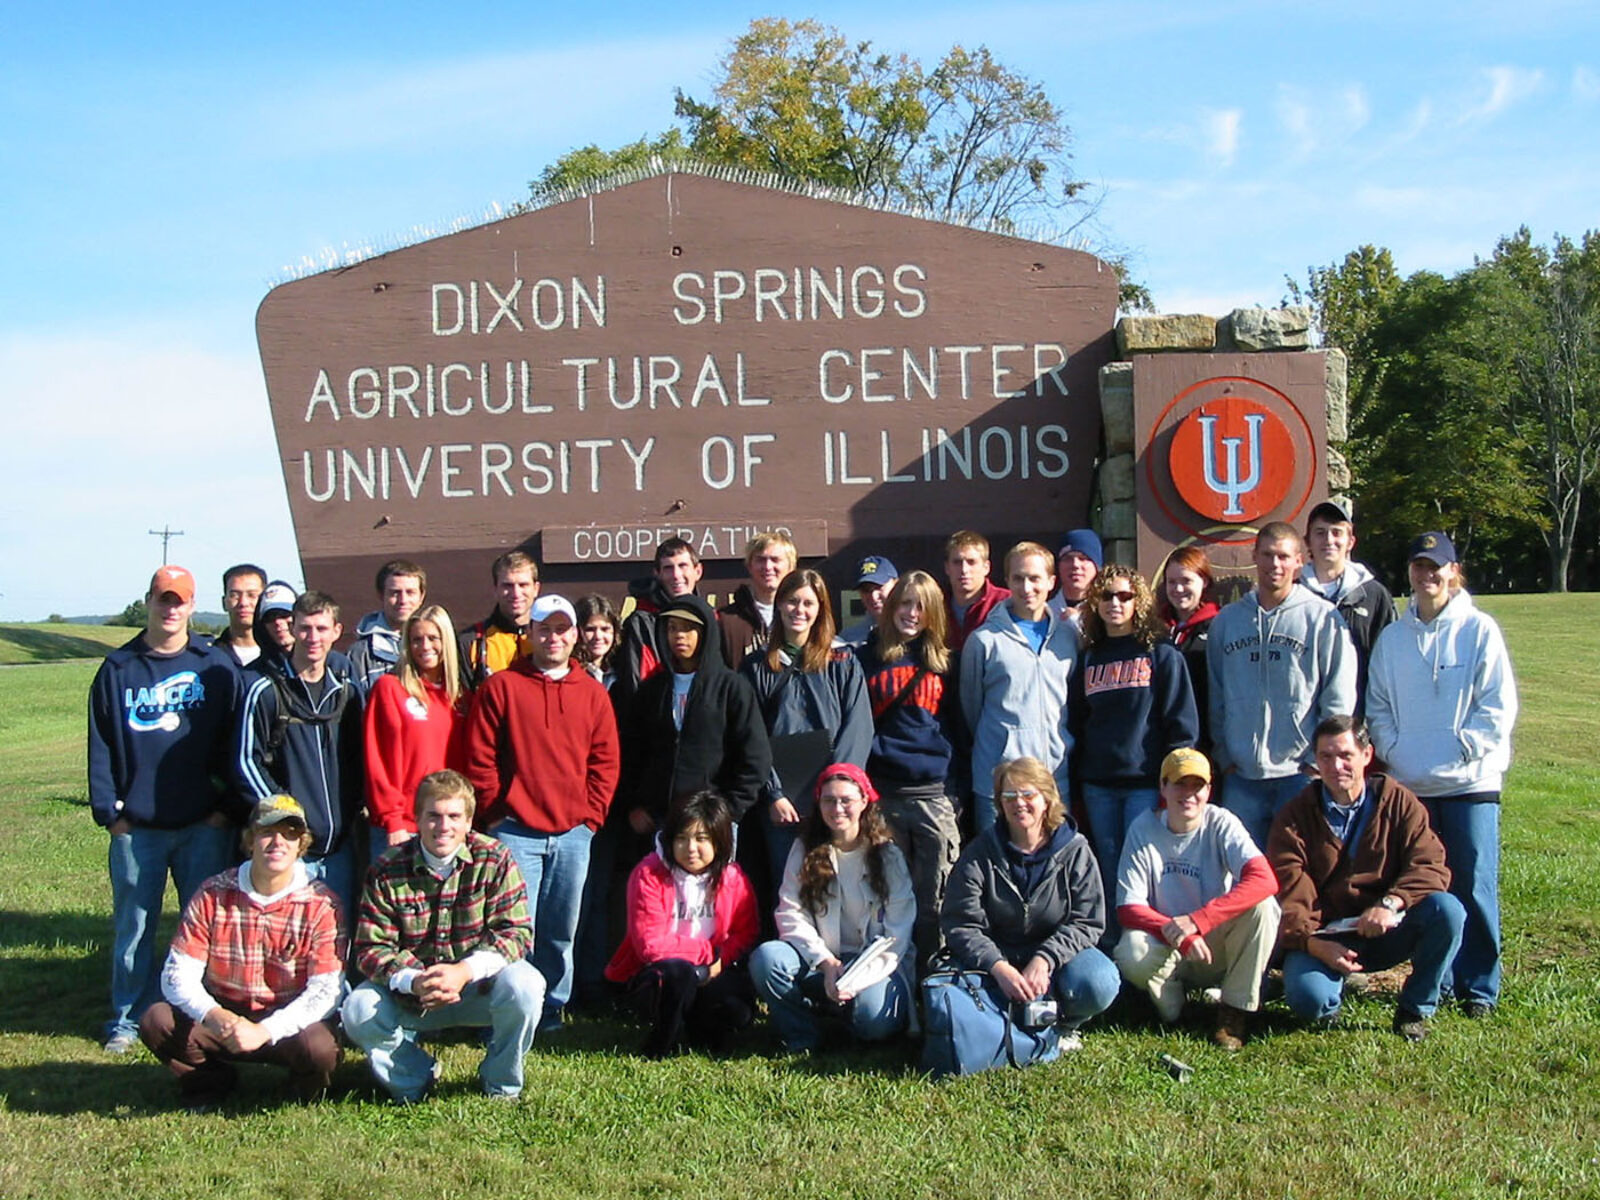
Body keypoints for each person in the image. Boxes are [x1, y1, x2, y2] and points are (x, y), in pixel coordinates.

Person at [89, 565, 243, 1053]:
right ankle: (126, 1018)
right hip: (139, 827)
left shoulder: (213, 665)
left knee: (202, 928)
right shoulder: (119, 668)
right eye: (163, 598)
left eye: (180, 600)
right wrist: (110, 813)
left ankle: (192, 1011)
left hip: (203, 823)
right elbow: (101, 745)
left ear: (193, 605)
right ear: (149, 601)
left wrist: (223, 808)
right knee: (134, 925)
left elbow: (234, 742)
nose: (171, 608)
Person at [1367, 531, 1518, 1018]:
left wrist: (1462, 749)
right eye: (1419, 566)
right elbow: (1378, 708)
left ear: (1454, 572)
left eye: (1437, 567)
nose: (1427, 575)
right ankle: (1440, 979)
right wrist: (1398, 751)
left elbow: (1497, 706)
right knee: (1426, 889)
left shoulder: (1479, 631)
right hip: (1412, 786)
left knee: (1474, 886)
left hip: (1470, 785)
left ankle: (1479, 987)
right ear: (1409, 572)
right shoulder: (1393, 639)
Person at [463, 594, 620, 1033]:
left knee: (561, 928)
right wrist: (496, 814)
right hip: (515, 831)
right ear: (530, 634)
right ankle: (509, 1009)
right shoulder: (501, 688)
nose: (553, 637)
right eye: (544, 629)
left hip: (573, 832)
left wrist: (591, 818)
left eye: (561, 629)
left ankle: (551, 1009)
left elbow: (605, 761)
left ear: (575, 636)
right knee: (513, 929)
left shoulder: (591, 692)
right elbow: (480, 758)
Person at [342, 769, 543, 1102]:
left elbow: (516, 933)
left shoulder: (495, 859)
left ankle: (501, 1083)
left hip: (479, 987)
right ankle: (413, 1079)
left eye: (453, 816)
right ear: (417, 819)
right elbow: (370, 948)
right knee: (358, 1008)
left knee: (527, 986)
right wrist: (415, 980)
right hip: (414, 992)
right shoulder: (386, 867)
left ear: (468, 822)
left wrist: (463, 972)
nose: (443, 826)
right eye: (433, 816)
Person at [1267, 716, 1465, 1041]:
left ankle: (1415, 1009)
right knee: (1308, 1001)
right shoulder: (1294, 817)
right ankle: (1328, 996)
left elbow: (1431, 863)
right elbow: (1290, 894)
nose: (1336, 766)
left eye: (1346, 755)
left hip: (1386, 927)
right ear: (1315, 761)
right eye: (1326, 757)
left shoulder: (1398, 802)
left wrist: (1391, 903)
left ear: (1367, 755)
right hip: (1328, 937)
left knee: (1448, 910)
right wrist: (1312, 943)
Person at [138, 794, 344, 1107]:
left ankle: (302, 1091)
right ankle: (208, 1081)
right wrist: (214, 1015)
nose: (278, 842)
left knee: (320, 1049)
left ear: (302, 845)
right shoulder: (213, 893)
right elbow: (177, 974)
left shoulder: (322, 904)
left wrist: (266, 1031)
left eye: (290, 834)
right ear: (249, 840)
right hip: (225, 1014)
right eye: (267, 832)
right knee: (157, 1021)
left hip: (286, 1019)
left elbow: (326, 991)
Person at [941, 757, 1119, 1051]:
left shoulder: (1075, 850)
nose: (1018, 803)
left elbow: (1087, 921)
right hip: (997, 959)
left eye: (1028, 794)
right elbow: (960, 922)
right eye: (1008, 795)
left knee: (1100, 981)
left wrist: (1045, 958)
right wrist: (997, 966)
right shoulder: (979, 853)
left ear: (1047, 800)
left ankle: (1064, 1024)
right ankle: (997, 1023)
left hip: (1057, 959)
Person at [1113, 749, 1279, 1050]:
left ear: (1209, 791)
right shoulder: (1143, 828)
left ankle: (1234, 1011)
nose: (1188, 794)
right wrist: (1181, 934)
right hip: (1170, 946)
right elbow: (1128, 908)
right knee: (1132, 951)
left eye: (1197, 786)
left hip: (1213, 944)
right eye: (1179, 784)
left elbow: (1264, 879)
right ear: (1162, 787)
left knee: (1264, 907)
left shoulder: (1221, 822)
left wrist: (1198, 921)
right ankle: (1173, 1004)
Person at [1206, 521, 1356, 851]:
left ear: (1299, 560)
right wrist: (1225, 755)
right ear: (1254, 556)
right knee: (1242, 875)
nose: (1275, 565)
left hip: (1298, 773)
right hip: (1241, 776)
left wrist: (1317, 762)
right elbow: (1215, 695)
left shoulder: (1322, 619)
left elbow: (1338, 697)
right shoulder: (1227, 623)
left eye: (1284, 557)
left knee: (1299, 870)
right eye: (1268, 555)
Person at [1069, 565, 1198, 938]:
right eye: (1107, 595)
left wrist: (1173, 784)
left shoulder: (1161, 654)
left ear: (1138, 602)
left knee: (1144, 867)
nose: (1115, 603)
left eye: (1124, 596)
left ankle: (1148, 944)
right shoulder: (1089, 657)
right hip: (1099, 783)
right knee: (1107, 864)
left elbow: (1182, 724)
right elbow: (1078, 721)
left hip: (1146, 783)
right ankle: (1114, 948)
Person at [750, 765, 914, 1052]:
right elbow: (791, 913)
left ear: (864, 801)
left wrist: (854, 980)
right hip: (822, 961)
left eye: (846, 800)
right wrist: (826, 963)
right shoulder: (805, 848)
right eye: (828, 800)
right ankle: (803, 1035)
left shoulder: (887, 855)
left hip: (871, 966)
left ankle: (848, 1017)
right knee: (767, 958)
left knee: (873, 1023)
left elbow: (896, 936)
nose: (837, 808)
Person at [855, 569, 963, 970]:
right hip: (885, 793)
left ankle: (931, 979)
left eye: (920, 606)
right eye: (904, 603)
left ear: (933, 612)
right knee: (888, 895)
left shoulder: (946, 663)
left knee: (936, 894)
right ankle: (891, 976)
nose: (911, 613)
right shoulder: (866, 659)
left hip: (934, 794)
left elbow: (959, 728)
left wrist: (956, 791)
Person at [236, 591, 365, 923]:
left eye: (322, 629)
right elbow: (245, 761)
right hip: (291, 846)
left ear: (337, 631)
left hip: (340, 848)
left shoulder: (348, 694)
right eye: (305, 628)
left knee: (339, 934)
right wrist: (285, 815)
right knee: (286, 937)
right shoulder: (266, 692)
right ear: (292, 629)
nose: (313, 638)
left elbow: (359, 759)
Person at [740, 568, 874, 884]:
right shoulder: (757, 667)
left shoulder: (842, 662)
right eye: (791, 601)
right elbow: (750, 736)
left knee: (838, 885)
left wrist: (836, 791)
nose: (799, 610)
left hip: (832, 804)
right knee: (789, 891)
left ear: (820, 610)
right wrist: (773, 794)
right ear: (779, 606)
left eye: (808, 603)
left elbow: (857, 728)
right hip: (782, 807)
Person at [604, 790, 759, 1057]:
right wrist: (708, 955)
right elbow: (650, 946)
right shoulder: (648, 874)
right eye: (681, 838)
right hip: (658, 975)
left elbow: (747, 931)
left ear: (719, 841)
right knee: (679, 974)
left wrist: (720, 962)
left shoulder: (733, 877)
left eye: (701, 839)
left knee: (737, 1012)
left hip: (714, 971)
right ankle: (660, 1042)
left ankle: (701, 1030)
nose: (690, 849)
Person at [960, 541, 1080, 833]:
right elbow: (971, 707)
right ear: (1007, 581)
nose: (1027, 587)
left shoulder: (1069, 637)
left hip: (1053, 779)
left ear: (1051, 582)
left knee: (1054, 868)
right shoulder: (984, 640)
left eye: (1035, 578)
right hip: (999, 783)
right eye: (1018, 578)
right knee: (999, 869)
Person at [363, 604, 467, 857]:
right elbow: (376, 761)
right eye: (416, 639)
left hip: (450, 828)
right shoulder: (390, 689)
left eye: (433, 638)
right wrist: (393, 819)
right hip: (403, 828)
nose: (425, 646)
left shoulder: (462, 698)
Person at [1301, 501, 1395, 714]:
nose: (1329, 540)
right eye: (1320, 532)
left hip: (1360, 721)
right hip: (1305, 726)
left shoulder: (1373, 596)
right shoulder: (1294, 595)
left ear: (1350, 541)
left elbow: (1387, 666)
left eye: (1337, 533)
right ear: (1307, 541)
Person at [613, 537, 704, 706]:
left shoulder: (711, 619)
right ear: (658, 574)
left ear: (698, 571)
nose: (676, 575)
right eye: (668, 568)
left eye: (683, 566)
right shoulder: (641, 623)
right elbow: (636, 686)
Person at [1157, 545, 1220, 753]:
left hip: (1207, 739)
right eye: (1172, 582)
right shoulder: (1155, 630)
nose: (1178, 589)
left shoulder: (1219, 626)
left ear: (1205, 582)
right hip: (1163, 740)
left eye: (1186, 581)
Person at [459, 550, 541, 690]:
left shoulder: (551, 640)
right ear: (495, 589)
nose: (516, 594)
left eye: (523, 585)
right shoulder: (471, 641)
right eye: (507, 586)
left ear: (536, 589)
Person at [348, 559, 427, 698]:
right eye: (395, 593)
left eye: (410, 592)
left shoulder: (437, 645)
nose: (403, 600)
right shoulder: (361, 653)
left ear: (421, 597)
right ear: (380, 595)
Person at [718, 531, 797, 667]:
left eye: (775, 559)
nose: (767, 567)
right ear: (749, 566)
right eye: (760, 560)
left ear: (791, 566)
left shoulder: (801, 617)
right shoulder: (725, 621)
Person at [942, 530, 1009, 654]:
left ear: (986, 567)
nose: (964, 569)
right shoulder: (937, 603)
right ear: (947, 568)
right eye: (957, 562)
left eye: (971, 562)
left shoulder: (1006, 602)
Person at [836, 555, 898, 648]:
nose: (873, 596)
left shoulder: (914, 631)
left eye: (879, 587)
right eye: (866, 590)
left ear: (896, 585)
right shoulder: (849, 638)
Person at [213, 563, 266, 668]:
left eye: (252, 595)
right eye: (235, 595)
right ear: (224, 602)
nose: (243, 603)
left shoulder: (285, 656)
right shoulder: (210, 656)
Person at [1050, 529, 1102, 626]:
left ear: (1097, 567)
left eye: (1083, 558)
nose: (1075, 565)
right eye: (1068, 558)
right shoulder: (1045, 613)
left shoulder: (1107, 612)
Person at [250, 580, 300, 676]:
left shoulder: (332, 666)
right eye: (269, 617)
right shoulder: (252, 676)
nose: (277, 622)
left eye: (284, 614)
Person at [574, 593, 622, 690]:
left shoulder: (623, 669)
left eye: (605, 629)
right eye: (590, 629)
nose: (598, 636)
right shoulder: (570, 671)